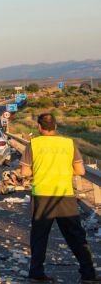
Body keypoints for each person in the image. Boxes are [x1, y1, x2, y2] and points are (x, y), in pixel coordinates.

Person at [20, 113, 99, 282]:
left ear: (39, 127)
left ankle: (36, 273)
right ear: (55, 127)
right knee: (76, 236)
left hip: (42, 195)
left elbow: (25, 172)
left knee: (39, 236)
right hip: (64, 195)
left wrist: (40, 172)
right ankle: (88, 274)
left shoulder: (33, 144)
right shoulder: (68, 143)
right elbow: (80, 171)